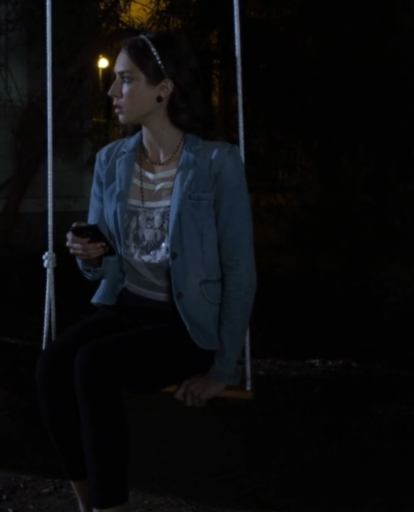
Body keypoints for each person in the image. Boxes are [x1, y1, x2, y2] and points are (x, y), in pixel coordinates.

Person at [34, 31, 257, 512]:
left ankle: (110, 507)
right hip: (126, 307)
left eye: (125, 80)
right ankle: (88, 500)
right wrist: (89, 256)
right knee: (52, 367)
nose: (112, 93)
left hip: (185, 323)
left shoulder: (216, 163)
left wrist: (222, 370)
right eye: (114, 81)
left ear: (164, 89)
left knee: (93, 365)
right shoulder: (111, 161)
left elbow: (240, 271)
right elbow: (100, 270)